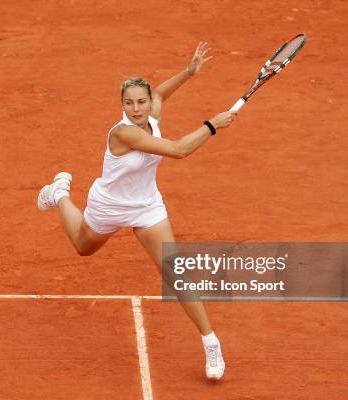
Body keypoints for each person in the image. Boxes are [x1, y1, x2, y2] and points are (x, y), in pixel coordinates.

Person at [37, 42, 236, 380]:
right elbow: (177, 149)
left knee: (176, 272)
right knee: (83, 247)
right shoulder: (124, 133)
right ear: (122, 106)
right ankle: (60, 194)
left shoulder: (151, 114)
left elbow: (160, 93)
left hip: (146, 207)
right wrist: (212, 125)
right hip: (110, 205)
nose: (136, 108)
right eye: (129, 103)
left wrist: (188, 73)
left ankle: (210, 342)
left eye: (141, 102)